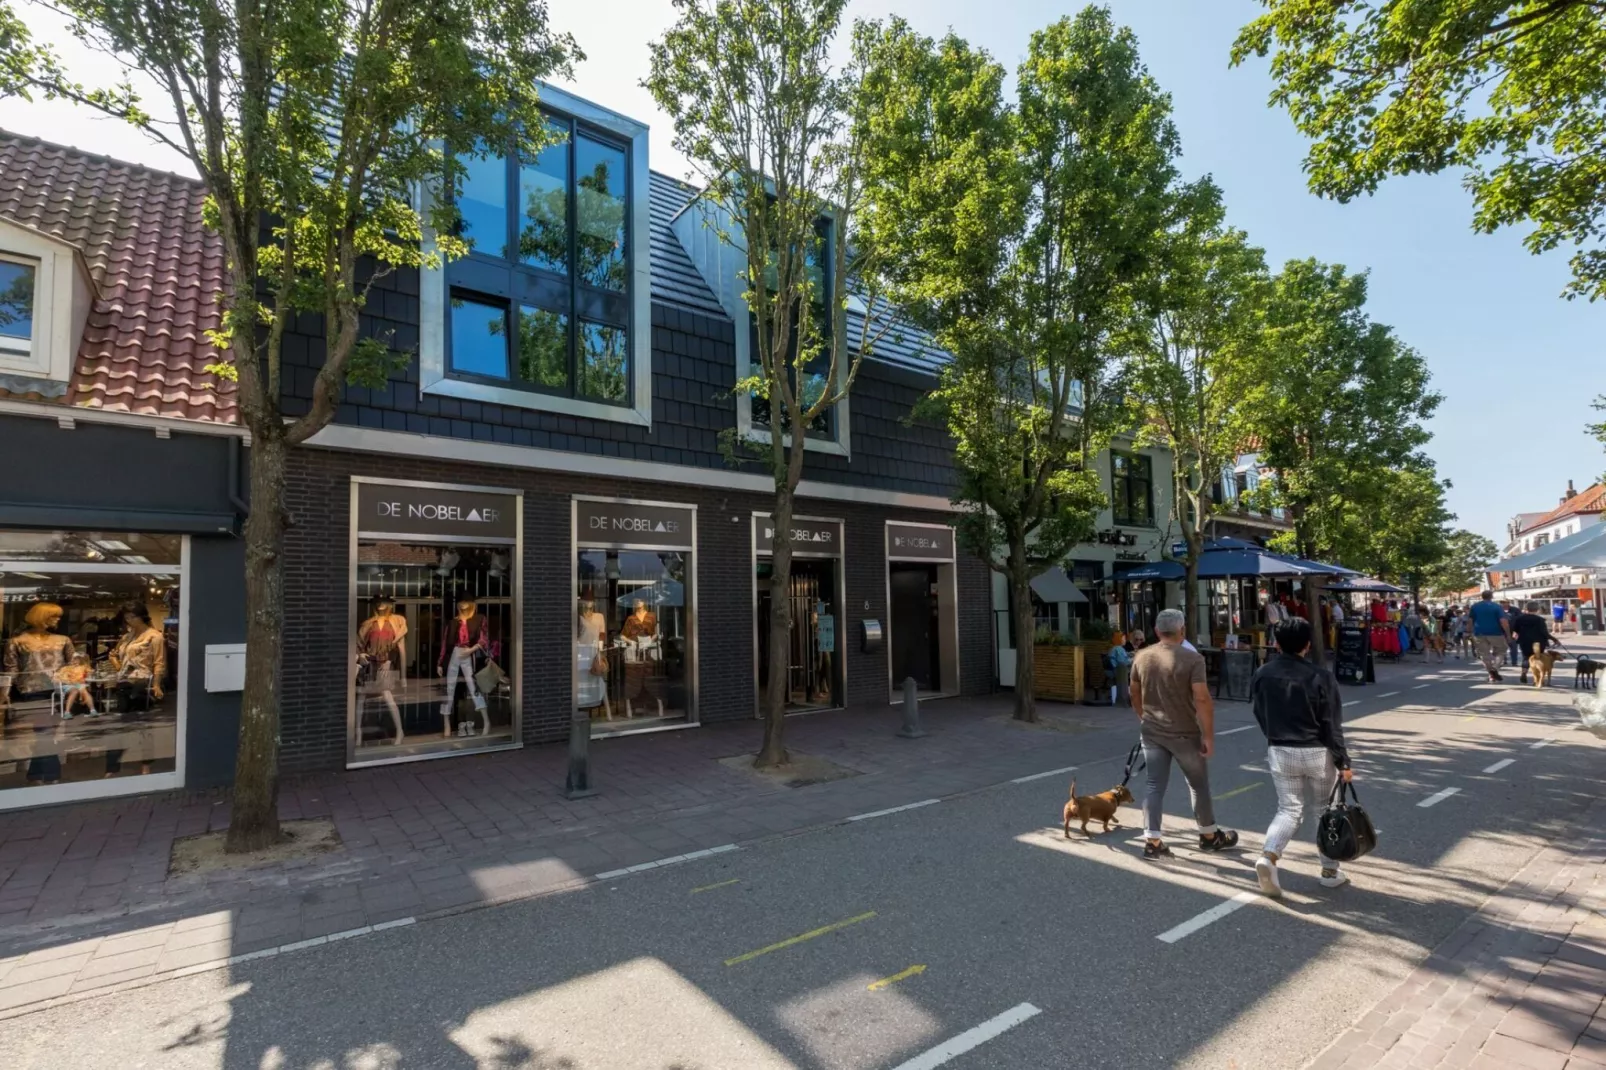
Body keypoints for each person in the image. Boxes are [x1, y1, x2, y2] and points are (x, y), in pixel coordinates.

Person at [1250, 617, 1354, 896]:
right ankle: (1329, 870)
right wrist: (1343, 760)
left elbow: (1259, 712)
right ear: (1307, 645)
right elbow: (1332, 722)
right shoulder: (1321, 676)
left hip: (1280, 748)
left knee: (1288, 808)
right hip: (1317, 750)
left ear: (1275, 642)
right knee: (1323, 810)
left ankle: (1269, 856)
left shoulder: (1262, 674)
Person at [1128, 608, 1239, 859]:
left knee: (1154, 784)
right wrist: (1208, 736)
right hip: (1185, 732)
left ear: (1157, 631)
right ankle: (1209, 835)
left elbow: (1133, 691)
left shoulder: (1142, 656)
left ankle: (1152, 840)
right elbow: (1201, 698)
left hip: (1152, 730)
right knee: (1198, 785)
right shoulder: (1193, 659)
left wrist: (1141, 715)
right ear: (1182, 631)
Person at [1467, 591, 1511, 682]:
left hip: (1479, 633)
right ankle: (1495, 668)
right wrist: (1508, 634)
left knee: (1484, 654)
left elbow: (1470, 621)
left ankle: (1491, 674)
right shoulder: (1497, 607)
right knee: (1501, 651)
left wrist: (1469, 632)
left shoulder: (1475, 607)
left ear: (1482, 597)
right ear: (1491, 596)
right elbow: (1503, 621)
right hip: (1496, 633)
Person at [1513, 601, 1559, 685]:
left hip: (1524, 641)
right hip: (1538, 642)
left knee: (1526, 657)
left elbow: (1515, 629)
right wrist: (1554, 639)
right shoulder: (1540, 620)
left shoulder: (1519, 619)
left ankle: (1524, 672)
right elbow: (1544, 632)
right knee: (1538, 659)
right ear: (1537, 610)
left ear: (1526, 609)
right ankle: (1537, 680)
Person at [1502, 601, 1523, 667]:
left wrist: (1518, 631)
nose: (1504, 604)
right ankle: (1503, 660)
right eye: (1502, 602)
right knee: (1502, 648)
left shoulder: (1515, 610)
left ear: (1508, 603)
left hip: (1513, 632)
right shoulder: (1499, 610)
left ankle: (1514, 662)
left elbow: (1520, 620)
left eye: (1505, 602)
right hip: (1502, 632)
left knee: (1514, 648)